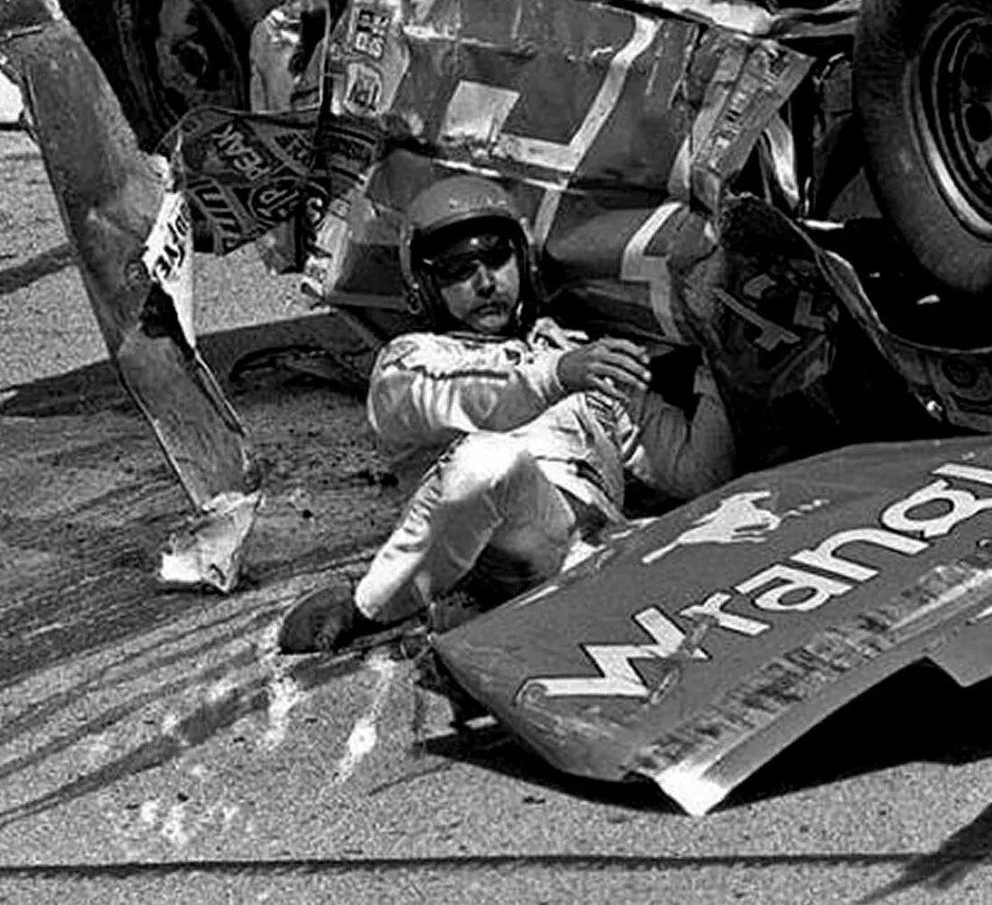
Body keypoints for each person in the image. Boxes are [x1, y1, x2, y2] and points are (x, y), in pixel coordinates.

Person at [278, 173, 735, 653]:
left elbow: (700, 475)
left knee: (745, 528)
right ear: (424, 288)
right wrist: (556, 373)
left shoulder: (585, 363)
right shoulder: (409, 363)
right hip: (496, 567)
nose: (483, 281)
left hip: (601, 556)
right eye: (457, 269)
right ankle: (370, 608)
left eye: (497, 257)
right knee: (488, 462)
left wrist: (719, 358)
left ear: (523, 261)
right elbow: (472, 395)